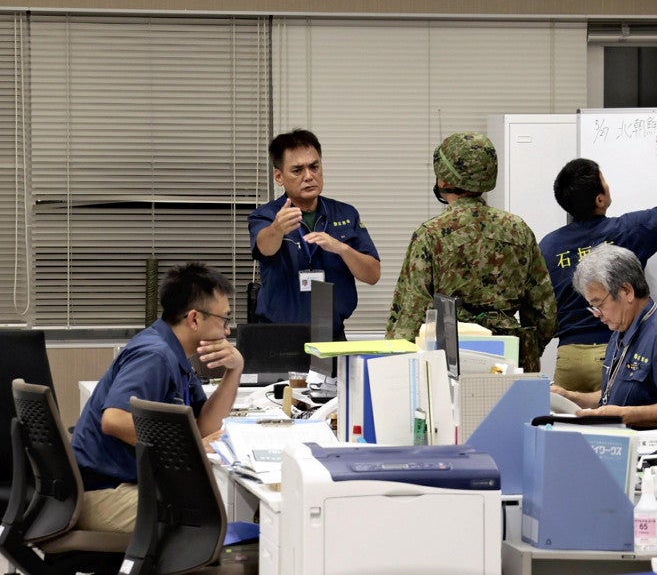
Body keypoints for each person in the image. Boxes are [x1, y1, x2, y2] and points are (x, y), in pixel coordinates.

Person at [71, 262, 245, 533]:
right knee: (208, 521)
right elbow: (114, 420)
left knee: (216, 506)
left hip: (123, 485)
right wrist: (189, 445)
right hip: (102, 493)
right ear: (195, 318)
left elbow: (204, 428)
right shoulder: (155, 355)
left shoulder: (176, 354)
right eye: (224, 319)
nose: (227, 331)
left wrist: (234, 372)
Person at [385, 132, 557, 372]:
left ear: (443, 180)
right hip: (510, 365)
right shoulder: (518, 230)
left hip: (448, 362)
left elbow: (409, 316)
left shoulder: (430, 235)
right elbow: (544, 312)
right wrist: (524, 349)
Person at [539, 127, 657, 393]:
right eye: (605, 182)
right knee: (608, 424)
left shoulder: (548, 245)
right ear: (600, 199)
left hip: (568, 356)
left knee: (566, 427)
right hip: (610, 349)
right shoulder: (626, 231)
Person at [550, 244, 657, 429]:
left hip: (653, 449)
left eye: (599, 304)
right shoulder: (619, 331)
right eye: (592, 307)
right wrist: (571, 397)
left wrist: (625, 415)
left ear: (627, 291)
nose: (597, 314)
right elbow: (613, 395)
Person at [248, 128, 380, 332]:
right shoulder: (267, 215)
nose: (309, 176)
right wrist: (277, 228)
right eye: (297, 170)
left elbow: (372, 274)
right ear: (279, 176)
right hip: (280, 336)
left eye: (314, 167)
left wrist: (342, 249)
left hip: (331, 332)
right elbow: (264, 247)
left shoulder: (345, 213)